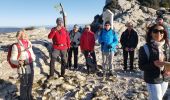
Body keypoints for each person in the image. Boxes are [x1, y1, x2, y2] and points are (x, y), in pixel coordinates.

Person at [139, 24, 170, 100]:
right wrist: (153, 64)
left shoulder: (166, 47)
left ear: (164, 33)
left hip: (165, 78)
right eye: (155, 31)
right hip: (152, 79)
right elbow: (141, 66)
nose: (159, 34)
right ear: (151, 33)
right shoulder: (145, 48)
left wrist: (169, 71)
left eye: (161, 31)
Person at [10, 30, 35, 100]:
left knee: (30, 82)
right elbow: (12, 59)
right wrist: (18, 62)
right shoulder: (16, 46)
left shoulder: (29, 43)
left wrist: (33, 58)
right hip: (22, 67)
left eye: (25, 34)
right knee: (24, 84)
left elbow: (31, 53)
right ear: (19, 36)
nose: (25, 36)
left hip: (31, 64)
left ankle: (29, 96)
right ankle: (23, 98)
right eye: (23, 35)